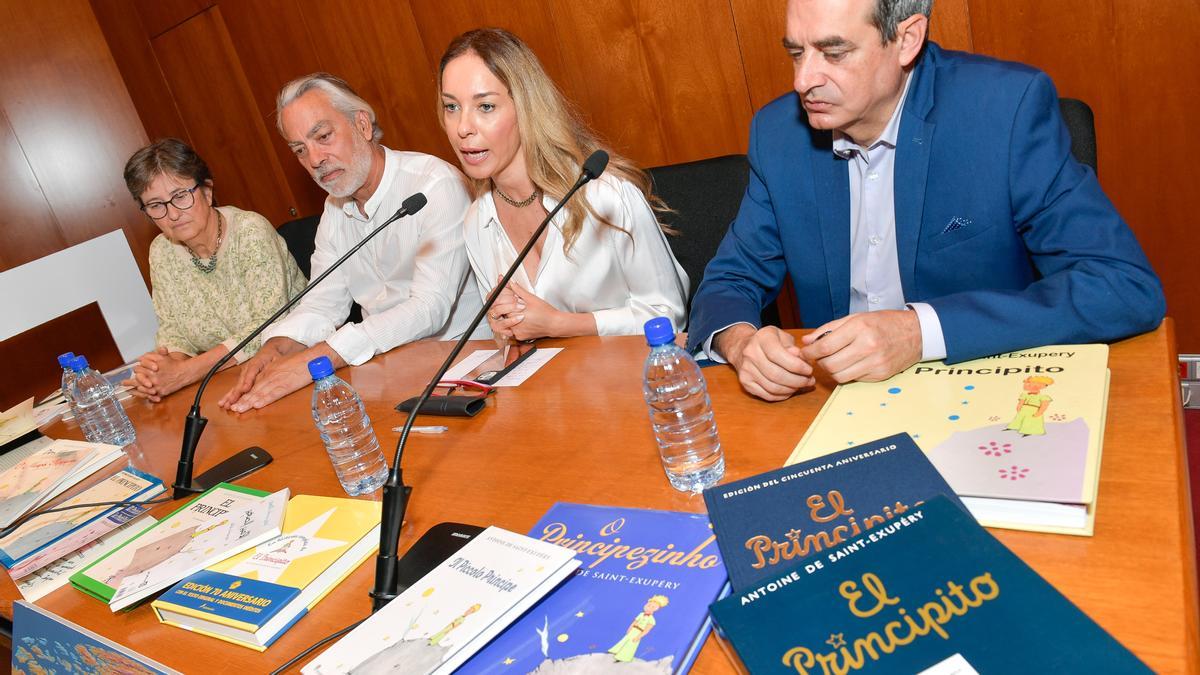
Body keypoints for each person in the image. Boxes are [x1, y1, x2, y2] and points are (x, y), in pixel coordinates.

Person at [688, 0, 1165, 402]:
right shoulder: (779, 134)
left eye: (833, 52)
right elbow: (732, 279)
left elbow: (1122, 286)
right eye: (796, 53)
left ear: (907, 39)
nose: (803, 80)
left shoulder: (1004, 110)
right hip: (839, 403)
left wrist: (919, 333)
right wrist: (740, 341)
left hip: (986, 390)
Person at [219, 73, 482, 413]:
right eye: (300, 149)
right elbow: (322, 303)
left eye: (323, 136)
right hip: (387, 371)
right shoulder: (335, 208)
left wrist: (325, 355)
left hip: (463, 364)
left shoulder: (434, 186)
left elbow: (429, 307)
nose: (314, 159)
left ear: (361, 125)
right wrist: (277, 348)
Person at [438, 28, 687, 342]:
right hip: (552, 388)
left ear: (526, 108)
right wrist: (505, 331)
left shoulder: (605, 195)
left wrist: (559, 325)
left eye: (485, 106)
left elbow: (669, 315)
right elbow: (514, 337)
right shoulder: (476, 221)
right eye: (451, 107)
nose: (462, 128)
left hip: (638, 379)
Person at [122, 139, 306, 402]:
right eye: (155, 205)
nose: (172, 214)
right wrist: (162, 371)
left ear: (207, 191)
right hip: (224, 381)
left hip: (292, 366)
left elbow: (267, 326)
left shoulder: (250, 231)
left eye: (180, 196)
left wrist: (185, 373)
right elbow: (173, 329)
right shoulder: (161, 251)